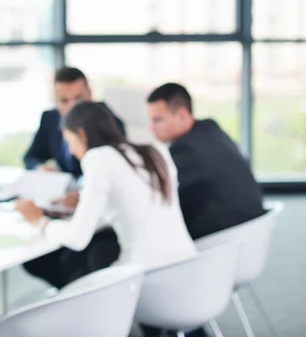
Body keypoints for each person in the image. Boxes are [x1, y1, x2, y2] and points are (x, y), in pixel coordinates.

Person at [16, 101, 196, 289]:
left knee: (76, 279)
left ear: (82, 134)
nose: (71, 150)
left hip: (145, 280)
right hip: (187, 270)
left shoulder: (97, 158)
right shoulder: (154, 150)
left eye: (70, 141)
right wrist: (83, 199)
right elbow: (141, 203)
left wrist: (39, 221)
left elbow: (78, 238)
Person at [146, 83, 265, 240]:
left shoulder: (186, 150)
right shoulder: (212, 132)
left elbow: (157, 195)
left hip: (219, 241)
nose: (151, 128)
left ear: (182, 115)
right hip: (247, 235)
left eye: (158, 120)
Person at [23, 66, 125, 209]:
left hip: (97, 201)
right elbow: (31, 157)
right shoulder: (49, 119)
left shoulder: (108, 122)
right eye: (64, 101)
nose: (72, 108)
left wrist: (84, 193)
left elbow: (116, 172)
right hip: (62, 198)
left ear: (90, 94)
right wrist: (41, 168)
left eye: (78, 99)